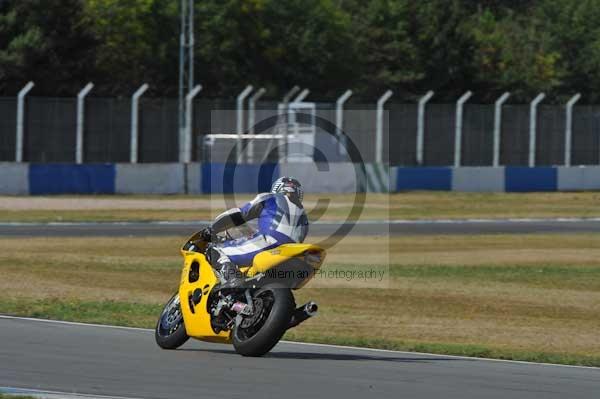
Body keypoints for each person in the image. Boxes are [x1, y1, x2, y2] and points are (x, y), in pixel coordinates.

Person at [203, 177, 308, 288]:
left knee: (215, 250)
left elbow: (240, 214)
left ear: (277, 188)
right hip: (291, 253)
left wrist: (212, 228)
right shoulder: (304, 215)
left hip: (269, 242)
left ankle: (233, 278)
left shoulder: (269, 197)